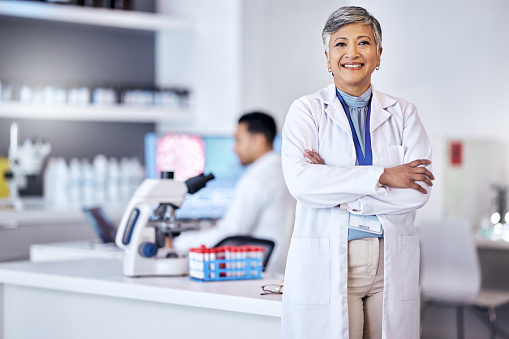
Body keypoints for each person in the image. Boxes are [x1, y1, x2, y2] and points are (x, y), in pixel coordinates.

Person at [280, 6, 434, 339]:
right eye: (340, 44)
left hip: (389, 257)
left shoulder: (404, 113)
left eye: (363, 43)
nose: (352, 53)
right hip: (332, 257)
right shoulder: (306, 111)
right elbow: (302, 184)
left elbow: (417, 190)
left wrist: (337, 186)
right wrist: (384, 177)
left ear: (378, 55)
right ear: (326, 57)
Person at [173, 112, 295, 276]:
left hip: (258, 272)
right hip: (280, 271)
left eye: (238, 140)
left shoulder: (256, 179)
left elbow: (230, 235)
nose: (234, 148)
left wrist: (176, 243)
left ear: (258, 141)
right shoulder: (286, 170)